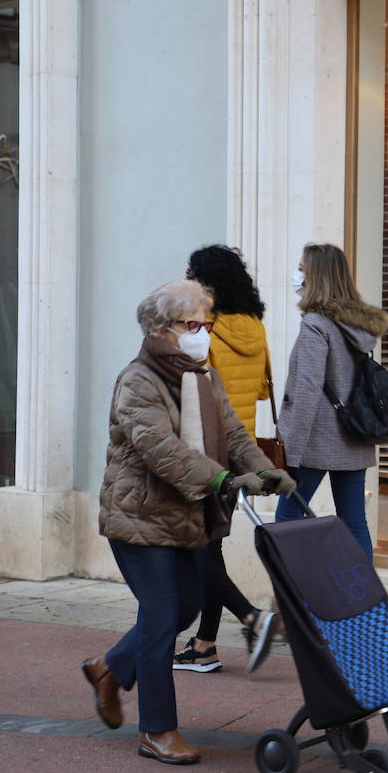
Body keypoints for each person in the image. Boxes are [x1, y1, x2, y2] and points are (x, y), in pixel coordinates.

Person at [80, 279, 294, 765]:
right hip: (139, 517)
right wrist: (223, 480)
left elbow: (234, 433)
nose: (201, 333)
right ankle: (156, 730)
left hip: (185, 518)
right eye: (190, 325)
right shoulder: (139, 380)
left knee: (183, 612)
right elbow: (162, 450)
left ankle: (108, 669)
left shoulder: (203, 375)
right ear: (161, 329)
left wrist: (262, 469)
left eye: (205, 324)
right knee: (161, 619)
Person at [173, 245, 279, 675]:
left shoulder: (206, 333)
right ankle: (205, 644)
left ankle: (248, 617)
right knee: (210, 545)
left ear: (208, 284)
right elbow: (260, 392)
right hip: (241, 449)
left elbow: (191, 391)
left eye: (190, 273)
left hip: (205, 449)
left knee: (198, 548)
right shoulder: (254, 328)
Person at [274, 243, 388, 558]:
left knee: (285, 519)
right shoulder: (357, 326)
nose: (296, 275)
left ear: (316, 276)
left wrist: (290, 452)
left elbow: (307, 390)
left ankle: (293, 599)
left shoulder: (316, 325)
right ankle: (364, 604)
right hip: (354, 435)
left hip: (314, 443)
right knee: (353, 522)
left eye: (301, 268)